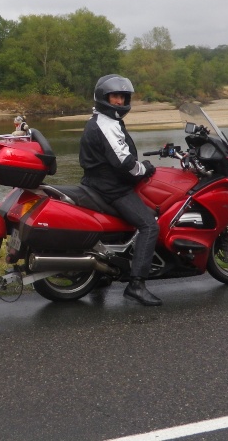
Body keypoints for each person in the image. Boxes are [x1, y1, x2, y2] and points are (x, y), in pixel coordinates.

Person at [78, 74, 162, 307]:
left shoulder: (100, 119)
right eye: (115, 96)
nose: (120, 101)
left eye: (124, 97)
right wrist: (144, 168)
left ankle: (103, 274)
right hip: (111, 188)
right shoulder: (106, 124)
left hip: (95, 183)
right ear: (104, 98)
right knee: (149, 225)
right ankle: (136, 284)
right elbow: (124, 163)